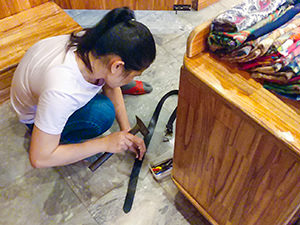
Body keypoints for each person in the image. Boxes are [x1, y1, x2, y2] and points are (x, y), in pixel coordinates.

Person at [10, 7, 156, 168]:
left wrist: (126, 131)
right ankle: (63, 142)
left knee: (111, 87)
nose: (134, 78)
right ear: (117, 67)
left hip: (41, 84)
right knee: (103, 113)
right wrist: (105, 143)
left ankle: (119, 81)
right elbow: (39, 158)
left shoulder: (95, 45)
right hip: (35, 114)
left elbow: (110, 86)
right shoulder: (61, 92)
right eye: (134, 74)